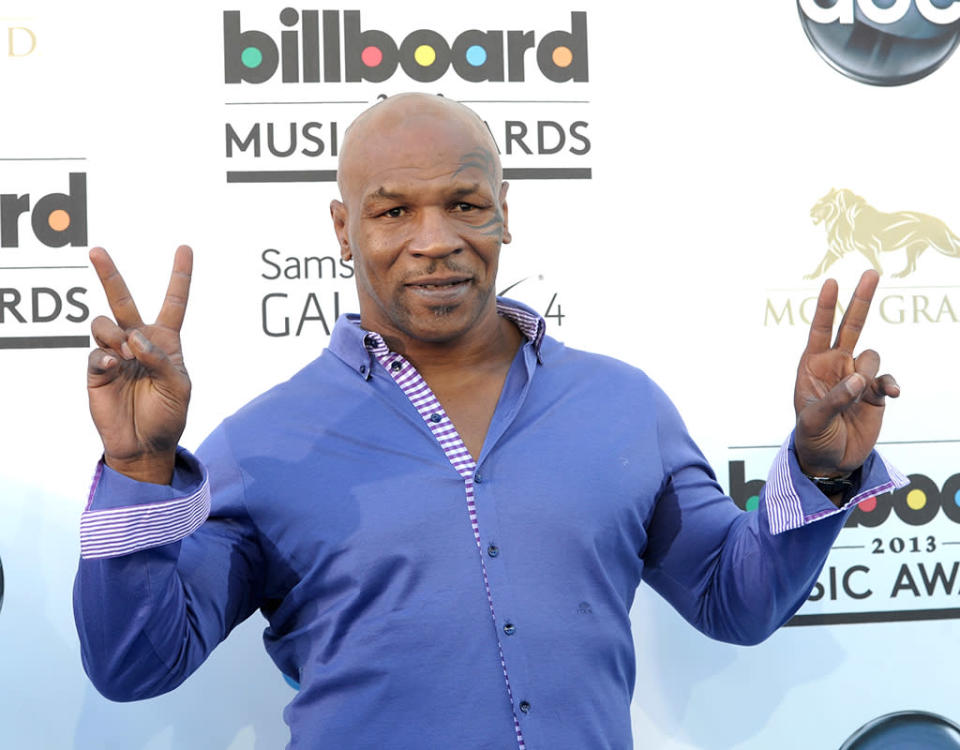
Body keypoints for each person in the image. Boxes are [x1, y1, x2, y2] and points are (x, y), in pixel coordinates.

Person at [74, 93, 906, 749]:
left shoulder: (624, 406)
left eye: (464, 203)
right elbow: (134, 666)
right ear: (342, 227)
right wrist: (139, 473)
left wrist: (824, 469)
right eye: (393, 210)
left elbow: (738, 601)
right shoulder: (264, 446)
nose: (434, 240)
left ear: (505, 211)